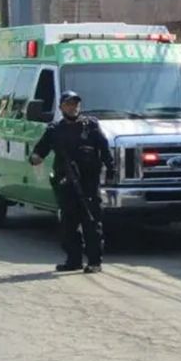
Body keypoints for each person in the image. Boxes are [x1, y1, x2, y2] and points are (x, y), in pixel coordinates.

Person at [30, 91, 116, 273]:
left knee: (91, 222)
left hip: (88, 182)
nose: (73, 107)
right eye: (69, 104)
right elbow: (40, 150)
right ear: (61, 107)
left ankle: (94, 262)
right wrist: (36, 157)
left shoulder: (91, 125)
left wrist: (111, 169)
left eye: (76, 104)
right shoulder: (54, 129)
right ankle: (73, 260)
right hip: (65, 182)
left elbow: (104, 148)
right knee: (68, 223)